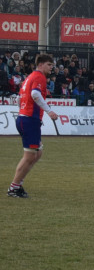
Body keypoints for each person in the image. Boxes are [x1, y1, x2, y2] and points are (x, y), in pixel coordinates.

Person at [9, 53, 59, 198]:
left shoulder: (29, 78)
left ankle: (17, 184)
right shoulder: (39, 77)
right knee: (30, 156)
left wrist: (24, 112)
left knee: (37, 153)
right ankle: (14, 187)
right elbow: (35, 95)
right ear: (41, 64)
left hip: (27, 118)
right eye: (49, 65)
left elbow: (19, 99)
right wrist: (49, 111)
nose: (51, 68)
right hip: (29, 119)